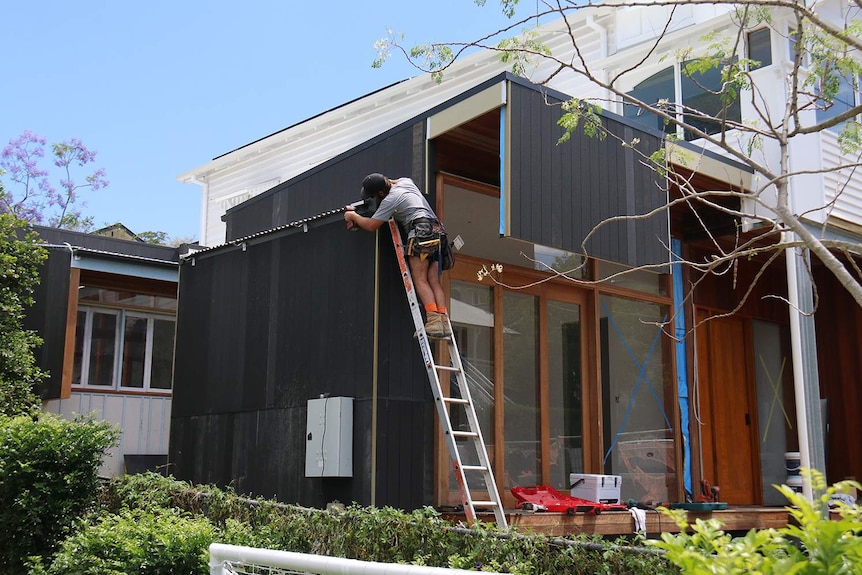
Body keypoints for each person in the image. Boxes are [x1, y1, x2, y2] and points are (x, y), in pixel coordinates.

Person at [344, 173, 451, 338]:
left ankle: (433, 320)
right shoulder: (406, 183)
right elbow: (392, 181)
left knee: (420, 278)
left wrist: (353, 216)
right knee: (433, 280)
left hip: (421, 233)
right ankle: (443, 321)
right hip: (437, 233)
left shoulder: (390, 199)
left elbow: (372, 225)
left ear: (380, 194)